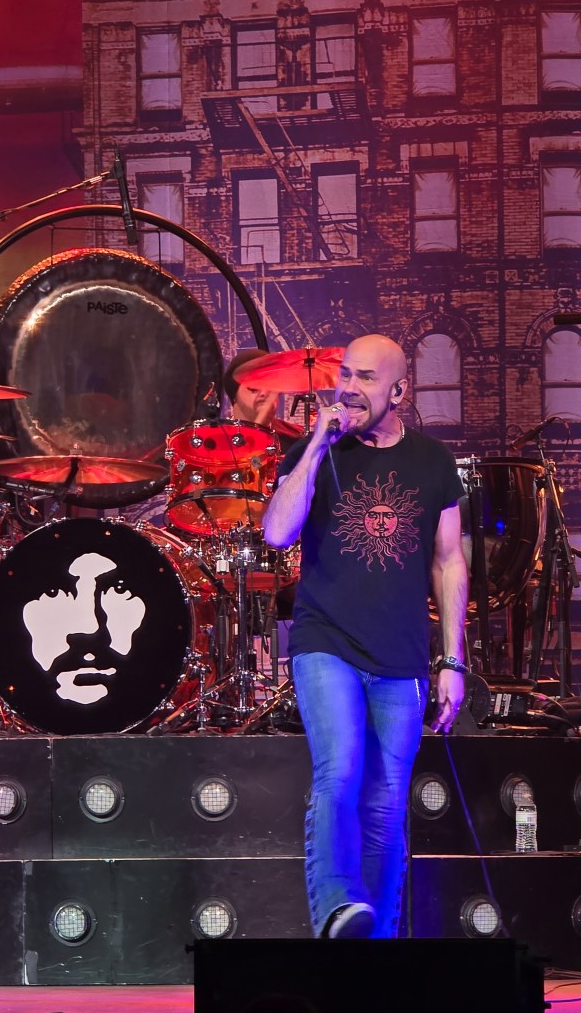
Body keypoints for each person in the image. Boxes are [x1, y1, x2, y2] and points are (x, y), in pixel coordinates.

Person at [262, 333, 468, 941]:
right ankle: (336, 907)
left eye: (366, 378)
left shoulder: (433, 462)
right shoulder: (315, 451)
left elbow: (449, 562)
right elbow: (276, 533)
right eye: (345, 374)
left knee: (386, 804)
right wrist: (314, 446)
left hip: (402, 654)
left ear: (399, 391)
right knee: (340, 771)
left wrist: (452, 660)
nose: (349, 388)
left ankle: (374, 949)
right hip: (326, 642)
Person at [223, 348, 304, 454]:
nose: (264, 393)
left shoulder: (297, 440)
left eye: (270, 385)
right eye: (254, 387)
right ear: (234, 394)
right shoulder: (216, 440)